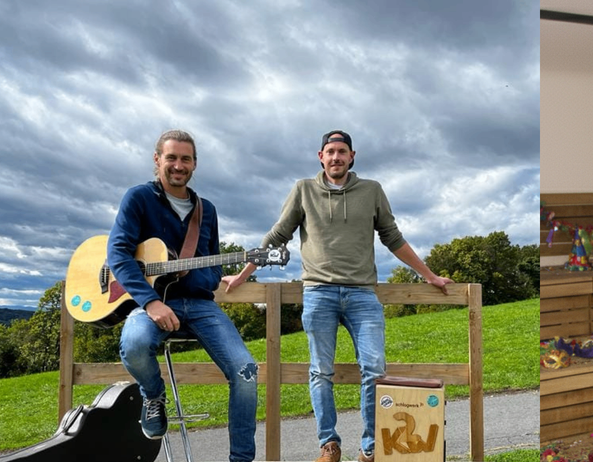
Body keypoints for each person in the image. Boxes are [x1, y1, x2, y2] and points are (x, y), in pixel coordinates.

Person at [223, 129, 453, 462]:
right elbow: (276, 236)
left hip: (362, 294)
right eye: (330, 151)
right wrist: (245, 275)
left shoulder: (372, 191)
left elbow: (393, 237)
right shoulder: (303, 190)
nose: (336, 157)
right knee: (320, 371)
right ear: (321, 156)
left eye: (342, 151)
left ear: (352, 156)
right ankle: (329, 445)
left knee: (374, 368)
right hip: (318, 292)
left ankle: (372, 448)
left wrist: (428, 275)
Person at [108, 129, 258, 462]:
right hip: (152, 303)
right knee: (133, 344)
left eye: (186, 159)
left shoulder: (208, 210)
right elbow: (118, 253)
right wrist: (151, 301)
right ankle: (153, 396)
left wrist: (206, 273)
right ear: (157, 159)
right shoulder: (139, 198)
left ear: (195, 164)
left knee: (247, 370)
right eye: (172, 157)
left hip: (202, 306)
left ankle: (242, 458)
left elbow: (214, 259)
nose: (179, 165)